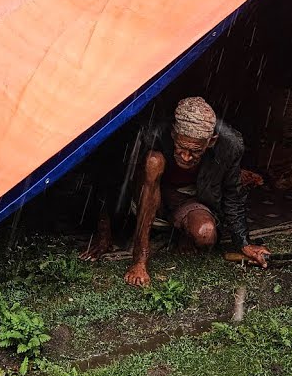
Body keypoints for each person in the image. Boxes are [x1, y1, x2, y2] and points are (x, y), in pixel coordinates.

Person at [81, 96, 270, 286]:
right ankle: (140, 256)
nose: (186, 157)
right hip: (147, 196)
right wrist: (104, 231)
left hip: (186, 199)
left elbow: (233, 194)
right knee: (153, 162)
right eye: (181, 148)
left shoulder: (230, 145)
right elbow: (111, 176)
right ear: (173, 134)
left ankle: (179, 234)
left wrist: (244, 243)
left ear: (211, 141)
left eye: (195, 151)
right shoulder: (150, 133)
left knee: (205, 234)